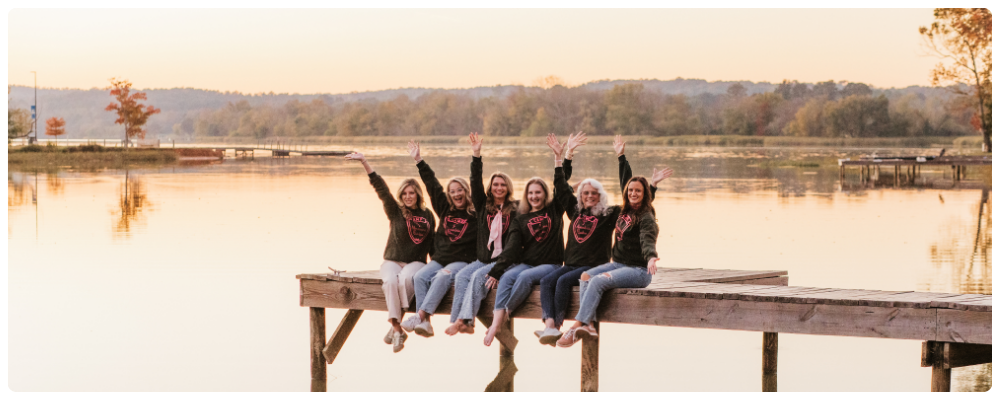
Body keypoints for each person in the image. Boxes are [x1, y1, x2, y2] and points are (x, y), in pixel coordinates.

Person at [534, 134, 673, 346]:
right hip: (615, 264)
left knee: (593, 280)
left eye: (594, 193)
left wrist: (652, 257)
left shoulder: (617, 214)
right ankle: (579, 325)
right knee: (585, 277)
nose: (589, 196)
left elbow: (647, 236)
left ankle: (577, 326)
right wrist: (562, 158)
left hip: (637, 269)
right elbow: (563, 189)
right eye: (586, 193)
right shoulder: (593, 211)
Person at [345, 152, 435, 353]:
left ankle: (396, 326)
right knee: (390, 281)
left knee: (406, 279)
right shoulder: (395, 211)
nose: (408, 197)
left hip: (417, 262)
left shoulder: (428, 215)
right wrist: (364, 162)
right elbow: (382, 189)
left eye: (411, 193)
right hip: (392, 260)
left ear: (418, 194)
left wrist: (440, 266)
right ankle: (397, 329)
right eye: (404, 194)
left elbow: (432, 244)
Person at [400, 141, 479, 339]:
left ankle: (420, 316)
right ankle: (425, 323)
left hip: (461, 261)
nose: (456, 194)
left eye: (459, 190)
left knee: (443, 276)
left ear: (466, 191)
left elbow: (477, 181)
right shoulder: (445, 208)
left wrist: (476, 155)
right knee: (419, 277)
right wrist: (419, 160)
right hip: (440, 258)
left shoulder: (475, 213)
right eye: (452, 191)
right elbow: (432, 184)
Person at [445, 133, 519, 336]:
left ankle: (465, 320)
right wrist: (476, 155)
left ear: (508, 188)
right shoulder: (483, 206)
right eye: (495, 184)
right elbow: (475, 181)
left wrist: (498, 269)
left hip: (504, 262)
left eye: (503, 185)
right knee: (461, 276)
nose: (499, 187)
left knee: (479, 277)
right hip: (483, 259)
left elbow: (514, 244)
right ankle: (459, 322)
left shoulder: (515, 209)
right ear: (490, 188)